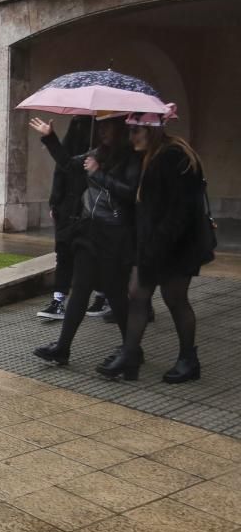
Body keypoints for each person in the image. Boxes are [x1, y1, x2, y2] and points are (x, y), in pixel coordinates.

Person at [98, 106, 211, 382]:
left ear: (151, 130)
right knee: (137, 296)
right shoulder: (153, 156)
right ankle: (129, 353)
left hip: (176, 249)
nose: (131, 136)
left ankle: (188, 359)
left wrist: (157, 247)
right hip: (153, 246)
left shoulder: (173, 157)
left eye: (135, 131)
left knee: (175, 300)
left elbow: (179, 212)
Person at [31, 115, 140, 370]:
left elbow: (130, 194)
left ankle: (132, 348)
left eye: (108, 125)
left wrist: (99, 174)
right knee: (80, 288)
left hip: (116, 235)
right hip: (90, 233)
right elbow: (70, 166)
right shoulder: (96, 153)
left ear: (120, 127)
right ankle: (62, 347)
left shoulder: (132, 157)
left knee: (116, 293)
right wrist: (50, 138)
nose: (102, 130)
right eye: (99, 125)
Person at [37, 117, 91, 320]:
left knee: (89, 258)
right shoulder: (75, 150)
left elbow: (67, 166)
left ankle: (103, 297)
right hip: (68, 210)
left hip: (87, 212)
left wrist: (51, 138)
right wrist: (55, 203)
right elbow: (63, 169)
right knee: (64, 254)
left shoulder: (99, 153)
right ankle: (59, 300)